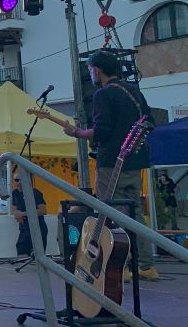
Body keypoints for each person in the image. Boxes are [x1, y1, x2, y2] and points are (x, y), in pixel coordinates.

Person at [63, 50, 158, 281]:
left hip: (111, 163)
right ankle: (146, 265)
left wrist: (77, 132)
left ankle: (120, 265)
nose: (90, 74)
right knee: (134, 212)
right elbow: (148, 121)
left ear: (96, 69)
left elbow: (102, 131)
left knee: (110, 212)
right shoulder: (134, 91)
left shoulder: (103, 95)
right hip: (135, 161)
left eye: (90, 69)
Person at [11, 175, 48, 256]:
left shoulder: (35, 192)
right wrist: (16, 213)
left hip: (38, 227)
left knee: (38, 256)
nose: (19, 182)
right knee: (21, 253)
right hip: (24, 228)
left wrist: (23, 214)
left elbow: (43, 210)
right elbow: (14, 209)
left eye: (22, 179)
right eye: (17, 180)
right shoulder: (15, 193)